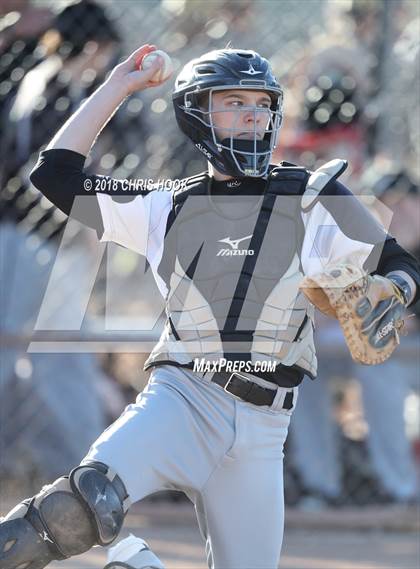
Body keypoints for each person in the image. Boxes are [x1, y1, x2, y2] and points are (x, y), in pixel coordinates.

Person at [1, 45, 419, 569]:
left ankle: (138, 564)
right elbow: (55, 175)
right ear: (196, 113)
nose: (252, 113)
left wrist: (394, 291)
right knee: (78, 508)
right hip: (182, 399)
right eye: (233, 101)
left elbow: (398, 262)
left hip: (264, 431)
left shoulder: (317, 197)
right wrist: (117, 87)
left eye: (262, 103)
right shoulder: (164, 206)